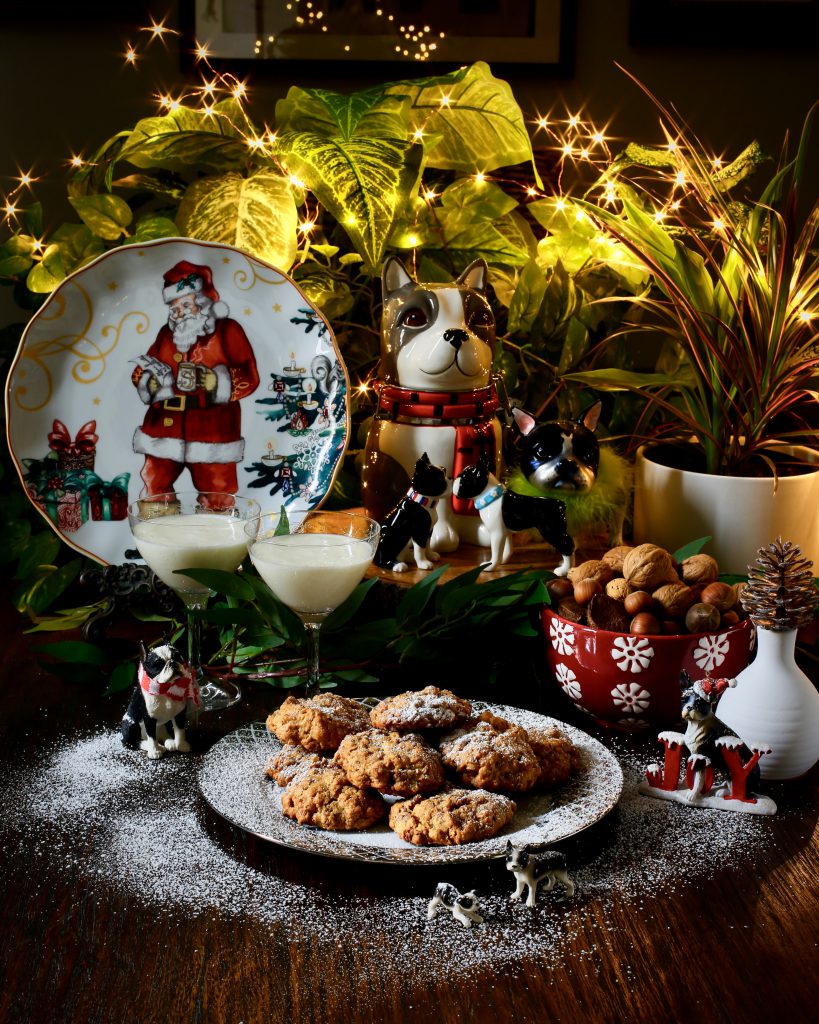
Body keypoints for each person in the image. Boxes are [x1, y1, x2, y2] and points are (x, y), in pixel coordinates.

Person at [131, 260, 259, 503]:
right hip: (163, 428)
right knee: (154, 486)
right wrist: (151, 382)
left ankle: (217, 537)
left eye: (185, 304)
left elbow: (249, 376)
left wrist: (214, 382)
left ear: (202, 302)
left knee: (218, 492)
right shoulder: (166, 335)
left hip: (213, 431)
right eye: (174, 306)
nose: (178, 311)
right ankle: (155, 535)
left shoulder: (227, 331)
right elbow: (141, 371)